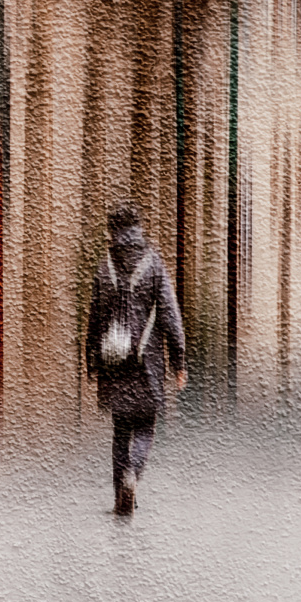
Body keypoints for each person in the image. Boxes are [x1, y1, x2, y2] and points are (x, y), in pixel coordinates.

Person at [83, 203, 185, 516]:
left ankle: (120, 497)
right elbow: (169, 314)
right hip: (147, 362)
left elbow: (96, 317)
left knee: (121, 430)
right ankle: (133, 475)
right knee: (145, 427)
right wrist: (179, 361)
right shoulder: (153, 264)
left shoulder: (105, 267)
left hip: (114, 362)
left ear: (112, 230)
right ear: (138, 228)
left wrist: (91, 358)